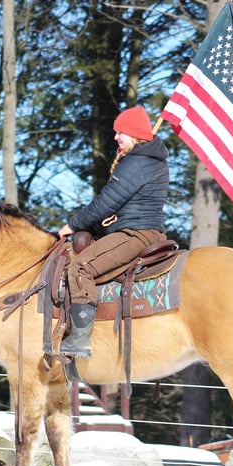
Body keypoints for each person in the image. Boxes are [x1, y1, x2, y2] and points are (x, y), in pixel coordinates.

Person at [57, 105, 170, 358]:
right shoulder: (147, 159)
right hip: (139, 229)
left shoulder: (137, 161)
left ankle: (79, 339)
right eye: (116, 132)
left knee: (80, 267)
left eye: (121, 133)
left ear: (136, 134)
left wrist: (73, 225)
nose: (116, 137)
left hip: (135, 234)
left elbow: (107, 202)